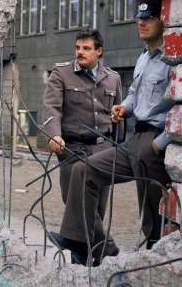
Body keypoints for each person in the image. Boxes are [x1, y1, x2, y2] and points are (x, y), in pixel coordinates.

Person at [49, 0, 173, 265]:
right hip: (132, 139)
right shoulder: (143, 58)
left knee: (153, 215)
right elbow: (133, 95)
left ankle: (155, 266)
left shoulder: (172, 58)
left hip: (152, 143)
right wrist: (125, 108)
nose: (141, 23)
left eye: (148, 18)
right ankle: (79, 241)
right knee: (83, 172)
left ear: (162, 20)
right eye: (139, 18)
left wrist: (160, 144)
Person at [42, 28, 122, 264]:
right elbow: (51, 108)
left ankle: (85, 259)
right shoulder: (61, 74)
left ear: (99, 51)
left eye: (86, 48)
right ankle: (107, 250)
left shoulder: (113, 78)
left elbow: (118, 115)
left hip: (103, 150)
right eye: (78, 47)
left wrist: (117, 146)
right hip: (72, 150)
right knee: (78, 204)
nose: (80, 52)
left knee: (96, 208)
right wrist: (54, 135)